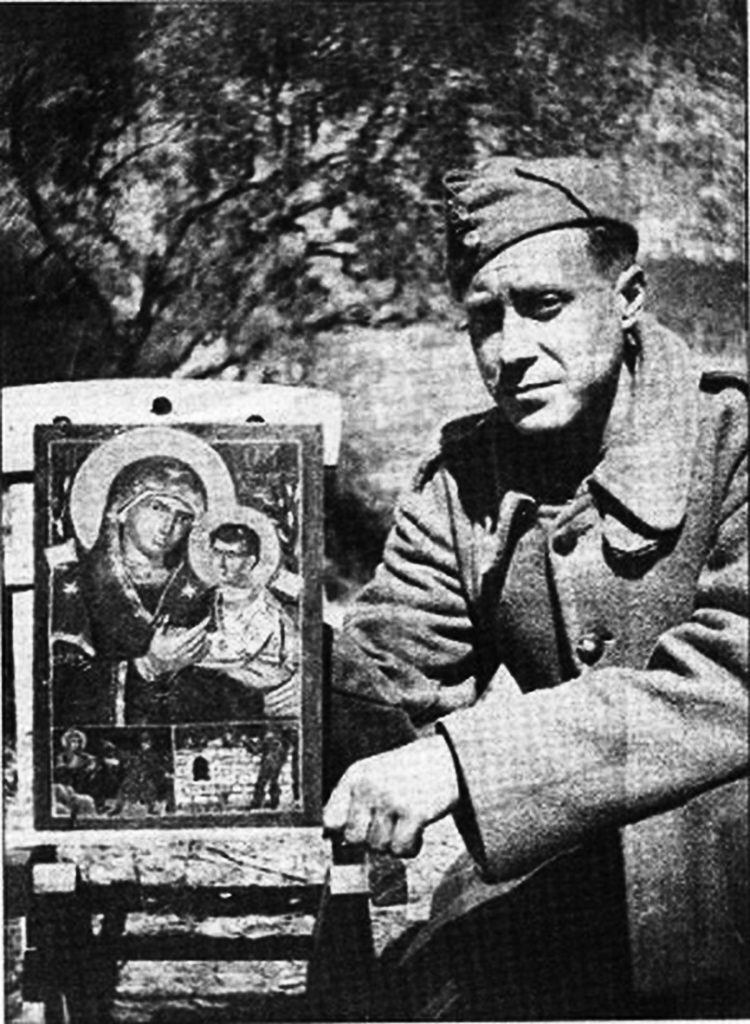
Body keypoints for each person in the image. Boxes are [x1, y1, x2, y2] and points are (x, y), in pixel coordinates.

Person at [324, 160, 748, 1019]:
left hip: (735, 889)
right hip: (590, 886)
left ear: (627, 299)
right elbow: (386, 683)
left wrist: (465, 762)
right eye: (485, 320)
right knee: (415, 989)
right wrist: (261, 651)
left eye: (544, 305)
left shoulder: (733, 443)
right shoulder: (466, 480)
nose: (511, 350)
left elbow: (736, 680)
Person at [52, 454, 212, 725]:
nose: (168, 526)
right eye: (157, 507)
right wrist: (148, 666)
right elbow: (61, 684)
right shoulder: (79, 583)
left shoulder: (200, 589)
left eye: (183, 517)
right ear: (123, 509)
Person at [201, 521, 300, 717]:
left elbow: (294, 661)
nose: (221, 563)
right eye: (217, 552)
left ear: (250, 562)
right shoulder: (199, 604)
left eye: (231, 555)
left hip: (267, 704)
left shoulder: (275, 608)